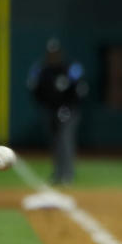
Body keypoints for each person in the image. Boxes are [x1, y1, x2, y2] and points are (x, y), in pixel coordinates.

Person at [27, 39, 88, 185]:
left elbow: (80, 90)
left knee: (65, 140)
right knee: (54, 142)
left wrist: (68, 107)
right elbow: (35, 91)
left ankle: (67, 174)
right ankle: (58, 173)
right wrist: (46, 108)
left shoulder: (70, 68)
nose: (53, 56)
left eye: (55, 53)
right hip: (50, 111)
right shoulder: (42, 70)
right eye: (51, 53)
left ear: (60, 53)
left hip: (70, 111)